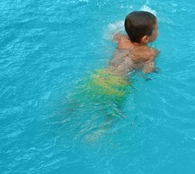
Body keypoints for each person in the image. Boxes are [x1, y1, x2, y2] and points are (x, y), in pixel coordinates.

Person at [66, 11, 159, 142]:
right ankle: (99, 132)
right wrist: (153, 69)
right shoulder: (150, 52)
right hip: (118, 85)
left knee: (79, 99)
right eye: (157, 30)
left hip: (100, 77)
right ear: (145, 39)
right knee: (114, 113)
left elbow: (111, 32)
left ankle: (64, 118)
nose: (158, 32)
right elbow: (147, 72)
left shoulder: (122, 39)